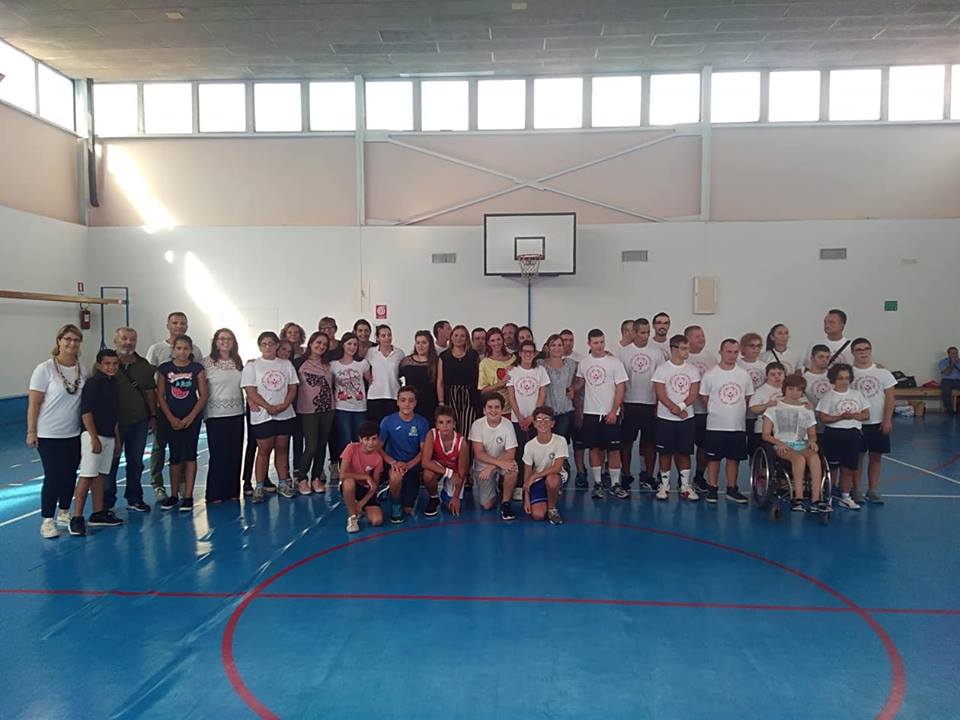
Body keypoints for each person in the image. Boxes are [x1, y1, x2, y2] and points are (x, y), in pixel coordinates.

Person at [28, 324, 88, 539]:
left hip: (73, 433)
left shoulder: (82, 368)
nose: (72, 343)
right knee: (53, 475)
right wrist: (32, 431)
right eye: (68, 339)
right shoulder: (44, 369)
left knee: (70, 474)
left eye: (76, 340)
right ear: (59, 341)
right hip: (48, 434)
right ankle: (47, 519)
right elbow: (34, 403)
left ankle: (64, 511)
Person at [145, 312, 204, 503]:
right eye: (175, 322)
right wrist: (161, 414)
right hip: (166, 412)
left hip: (189, 414)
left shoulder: (196, 360)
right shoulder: (157, 352)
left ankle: (185, 490)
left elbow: (202, 390)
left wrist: (190, 417)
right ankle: (160, 486)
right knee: (162, 448)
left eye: (182, 323)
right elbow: (152, 384)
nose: (179, 326)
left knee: (188, 453)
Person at [71, 349, 124, 535]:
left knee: (101, 475)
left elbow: (114, 414)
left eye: (115, 364)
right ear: (100, 365)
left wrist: (117, 439)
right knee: (87, 475)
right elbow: (86, 412)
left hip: (109, 436)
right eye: (107, 364)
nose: (111, 367)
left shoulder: (113, 383)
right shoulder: (93, 384)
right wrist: (93, 438)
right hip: (93, 436)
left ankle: (98, 513)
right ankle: (77, 517)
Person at [103, 327, 155, 514]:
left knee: (136, 462)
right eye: (124, 338)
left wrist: (153, 415)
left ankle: (134, 498)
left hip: (139, 422)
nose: (128, 343)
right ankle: (106, 503)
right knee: (111, 463)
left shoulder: (143, 365)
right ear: (115, 340)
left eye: (132, 339)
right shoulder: (105, 363)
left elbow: (150, 391)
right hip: (113, 424)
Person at [241, 331, 299, 502]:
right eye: (264, 344)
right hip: (262, 416)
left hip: (284, 415)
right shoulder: (252, 366)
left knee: (282, 449)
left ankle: (283, 483)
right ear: (260, 346)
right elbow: (250, 390)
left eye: (271, 343)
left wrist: (284, 405)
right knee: (264, 450)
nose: (268, 347)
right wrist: (268, 407)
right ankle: (259, 486)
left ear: (276, 346)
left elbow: (293, 388)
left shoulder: (286, 364)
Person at [572, 329, 628, 500]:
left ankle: (615, 484)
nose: (599, 346)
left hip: (610, 413)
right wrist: (571, 390)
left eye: (602, 342)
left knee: (614, 450)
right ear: (589, 344)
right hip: (590, 413)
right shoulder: (584, 363)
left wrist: (613, 411)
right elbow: (580, 383)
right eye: (595, 343)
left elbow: (620, 388)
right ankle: (597, 483)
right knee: (594, 449)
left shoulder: (615, 363)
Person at [761, 375, 829, 513]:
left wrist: (812, 441)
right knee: (799, 459)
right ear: (784, 389)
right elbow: (766, 434)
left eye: (798, 390)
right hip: (782, 444)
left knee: (814, 457)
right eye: (791, 389)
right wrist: (779, 443)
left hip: (801, 444)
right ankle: (798, 498)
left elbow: (812, 434)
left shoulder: (807, 410)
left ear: (802, 392)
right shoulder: (773, 408)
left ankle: (817, 499)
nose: (794, 392)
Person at [155, 335, 208, 512]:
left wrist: (191, 417)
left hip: (191, 418)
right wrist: (170, 418)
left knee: (190, 455)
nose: (182, 352)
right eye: (179, 348)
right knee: (175, 456)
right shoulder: (165, 369)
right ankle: (174, 494)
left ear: (191, 350)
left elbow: (203, 395)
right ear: (173, 350)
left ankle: (188, 496)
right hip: (171, 418)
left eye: (186, 348)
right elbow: (160, 395)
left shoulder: (196, 369)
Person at [699, 339, 753, 505]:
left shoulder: (743, 375)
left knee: (733, 459)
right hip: (715, 425)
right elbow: (704, 396)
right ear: (721, 352)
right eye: (728, 352)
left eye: (735, 352)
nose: (732, 355)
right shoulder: (710, 374)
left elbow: (747, 396)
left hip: (737, 426)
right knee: (713, 459)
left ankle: (732, 489)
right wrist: (716, 410)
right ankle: (712, 488)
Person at [651, 334, 701, 501]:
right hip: (665, 418)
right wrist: (674, 408)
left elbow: (693, 393)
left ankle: (685, 485)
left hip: (687, 418)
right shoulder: (662, 369)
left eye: (688, 348)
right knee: (665, 453)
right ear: (674, 349)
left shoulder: (692, 370)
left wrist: (681, 407)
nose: (687, 351)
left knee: (684, 453)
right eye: (684, 348)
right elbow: (660, 393)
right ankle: (664, 485)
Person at [618, 318, 662, 493]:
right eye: (642, 332)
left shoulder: (657, 353)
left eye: (648, 332)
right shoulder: (624, 353)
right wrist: (620, 403)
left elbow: (661, 380)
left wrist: (659, 403)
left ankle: (649, 476)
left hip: (650, 403)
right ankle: (626, 474)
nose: (646, 336)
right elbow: (619, 381)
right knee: (626, 442)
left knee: (650, 443)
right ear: (634, 332)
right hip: (629, 403)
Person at [817, 363, 869, 510]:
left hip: (853, 435)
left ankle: (845, 496)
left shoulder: (857, 395)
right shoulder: (829, 396)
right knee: (832, 468)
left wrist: (853, 415)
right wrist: (840, 417)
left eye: (846, 378)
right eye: (840, 378)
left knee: (848, 468)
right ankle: (828, 496)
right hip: (834, 434)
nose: (844, 381)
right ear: (833, 379)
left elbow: (866, 415)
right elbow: (823, 418)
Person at [851, 338, 896, 505]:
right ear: (853, 352)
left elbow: (890, 398)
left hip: (877, 422)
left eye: (866, 349)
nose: (863, 352)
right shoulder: (849, 373)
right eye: (859, 349)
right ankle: (856, 489)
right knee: (857, 457)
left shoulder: (883, 373)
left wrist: (887, 420)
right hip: (856, 423)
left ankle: (873, 489)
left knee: (876, 457)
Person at [202, 329, 245, 503]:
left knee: (235, 453)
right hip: (215, 415)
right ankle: (214, 493)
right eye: (222, 338)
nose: (225, 342)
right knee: (218, 455)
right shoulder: (206, 362)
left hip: (237, 413)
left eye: (229, 339)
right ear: (215, 341)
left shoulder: (238, 362)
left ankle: (233, 491)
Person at [379, 387, 431, 522]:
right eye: (403, 400)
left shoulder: (422, 422)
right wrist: (393, 463)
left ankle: (398, 491)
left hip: (412, 465)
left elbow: (424, 451)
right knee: (395, 477)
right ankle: (395, 504)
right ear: (397, 402)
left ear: (416, 403)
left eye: (411, 400)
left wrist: (408, 465)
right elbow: (378, 448)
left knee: (408, 510)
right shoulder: (388, 421)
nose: (407, 404)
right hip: (394, 464)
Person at [294, 331, 335, 494]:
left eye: (324, 344)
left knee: (322, 445)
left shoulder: (328, 364)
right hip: (308, 410)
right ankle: (302, 478)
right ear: (311, 343)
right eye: (318, 342)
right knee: (311, 446)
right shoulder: (299, 363)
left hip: (328, 409)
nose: (321, 346)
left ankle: (316, 477)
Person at [468, 393, 520, 520]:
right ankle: (495, 489)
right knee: (487, 505)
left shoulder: (508, 425)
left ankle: (505, 503)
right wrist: (494, 465)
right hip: (483, 465)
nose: (493, 410)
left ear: (502, 409)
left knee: (512, 469)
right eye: (490, 407)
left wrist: (492, 467)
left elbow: (510, 453)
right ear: (484, 410)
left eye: (497, 407)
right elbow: (479, 453)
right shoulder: (477, 425)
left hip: (502, 462)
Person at [522, 405, 567, 525]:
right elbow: (527, 473)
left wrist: (535, 476)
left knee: (552, 480)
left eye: (547, 419)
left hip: (555, 476)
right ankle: (548, 496)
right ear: (534, 424)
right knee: (538, 516)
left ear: (552, 423)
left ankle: (552, 509)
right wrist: (526, 498)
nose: (543, 422)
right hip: (538, 480)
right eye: (539, 419)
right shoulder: (529, 446)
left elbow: (557, 468)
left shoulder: (560, 441)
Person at [685, 325, 717, 493]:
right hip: (686, 411)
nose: (702, 339)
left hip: (705, 412)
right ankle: (683, 479)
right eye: (697, 336)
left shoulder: (710, 358)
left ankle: (699, 477)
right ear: (688, 339)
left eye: (703, 335)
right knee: (683, 448)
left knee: (703, 446)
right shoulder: (683, 358)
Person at [330, 332, 371, 465]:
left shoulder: (363, 363)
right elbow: (330, 384)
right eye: (349, 344)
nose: (352, 347)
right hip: (342, 408)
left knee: (359, 439)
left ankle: (359, 466)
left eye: (355, 344)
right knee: (344, 439)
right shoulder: (333, 365)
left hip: (360, 408)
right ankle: (344, 467)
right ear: (343, 345)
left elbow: (370, 382)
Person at [507, 339, 550, 458]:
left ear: (535, 354)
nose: (528, 354)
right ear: (520, 353)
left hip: (535, 418)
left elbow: (542, 395)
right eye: (525, 351)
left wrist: (533, 416)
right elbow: (511, 397)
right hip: (517, 418)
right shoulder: (512, 371)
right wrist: (520, 417)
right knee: (519, 450)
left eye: (531, 352)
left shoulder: (540, 370)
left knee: (535, 449)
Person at [422, 405, 469, 517]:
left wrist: (456, 497)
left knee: (451, 507)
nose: (445, 426)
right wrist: (449, 473)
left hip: (455, 471)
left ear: (454, 424)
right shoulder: (432, 434)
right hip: (439, 468)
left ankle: (445, 493)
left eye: (448, 422)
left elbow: (462, 473)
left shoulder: (461, 442)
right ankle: (434, 497)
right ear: (436, 425)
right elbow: (425, 462)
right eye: (441, 422)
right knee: (428, 475)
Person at [339, 421, 385, 533]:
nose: (370, 443)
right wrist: (365, 477)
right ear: (360, 439)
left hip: (366, 489)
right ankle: (352, 517)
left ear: (378, 439)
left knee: (377, 521)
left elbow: (374, 486)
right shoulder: (351, 448)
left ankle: (359, 507)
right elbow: (342, 474)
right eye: (367, 439)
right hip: (352, 484)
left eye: (374, 439)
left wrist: (362, 503)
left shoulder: (378, 458)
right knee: (348, 483)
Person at [438, 324, 480, 439]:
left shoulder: (473, 355)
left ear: (466, 338)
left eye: (462, 336)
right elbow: (440, 381)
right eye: (456, 335)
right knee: (452, 428)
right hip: (451, 396)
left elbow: (479, 378)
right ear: (451, 337)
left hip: (470, 396)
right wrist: (441, 402)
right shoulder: (444, 356)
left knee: (469, 428)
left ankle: (467, 451)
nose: (459, 338)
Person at [539, 334, 578, 444]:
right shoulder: (541, 364)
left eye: (560, 345)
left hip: (565, 411)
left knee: (560, 442)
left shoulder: (570, 364)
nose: (557, 348)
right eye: (553, 345)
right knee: (547, 442)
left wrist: (573, 388)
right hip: (547, 412)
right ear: (548, 347)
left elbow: (581, 375)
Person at [366, 324, 404, 427]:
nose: (387, 338)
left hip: (393, 395)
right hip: (374, 396)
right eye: (383, 336)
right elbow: (365, 369)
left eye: (389, 335)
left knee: (392, 428)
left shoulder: (399, 353)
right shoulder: (371, 352)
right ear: (378, 338)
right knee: (375, 428)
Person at [399, 330, 439, 425]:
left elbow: (440, 382)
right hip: (411, 403)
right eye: (418, 343)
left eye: (424, 343)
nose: (420, 346)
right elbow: (399, 380)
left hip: (430, 402)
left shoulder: (436, 361)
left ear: (430, 344)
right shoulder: (406, 361)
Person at [747, 362, 787, 456]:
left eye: (780, 374)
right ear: (767, 376)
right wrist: (767, 405)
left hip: (784, 431)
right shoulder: (761, 391)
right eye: (773, 374)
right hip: (763, 430)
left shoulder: (789, 389)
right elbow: (753, 408)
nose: (777, 377)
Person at [477, 328, 515, 416]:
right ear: (488, 343)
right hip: (494, 410)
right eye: (492, 340)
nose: (496, 343)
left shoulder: (514, 359)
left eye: (498, 339)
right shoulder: (484, 363)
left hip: (514, 409)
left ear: (503, 340)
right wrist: (500, 384)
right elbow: (482, 390)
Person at [939, 346, 960, 415]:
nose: (955, 355)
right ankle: (949, 410)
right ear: (948, 354)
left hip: (958, 380)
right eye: (953, 353)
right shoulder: (943, 362)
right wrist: (952, 363)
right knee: (946, 391)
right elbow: (947, 373)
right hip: (947, 380)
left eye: (956, 353)